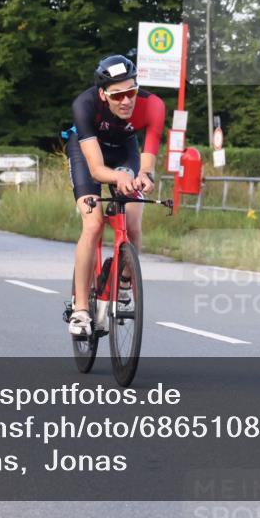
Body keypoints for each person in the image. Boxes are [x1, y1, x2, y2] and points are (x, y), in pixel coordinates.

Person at [66, 54, 165, 336]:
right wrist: (118, 176)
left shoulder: (153, 106)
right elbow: (97, 169)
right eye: (118, 95)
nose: (126, 101)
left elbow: (147, 160)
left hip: (124, 150)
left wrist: (144, 176)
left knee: (133, 221)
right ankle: (82, 310)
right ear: (103, 94)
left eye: (131, 92)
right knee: (93, 224)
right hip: (88, 154)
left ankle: (123, 280)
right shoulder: (85, 105)